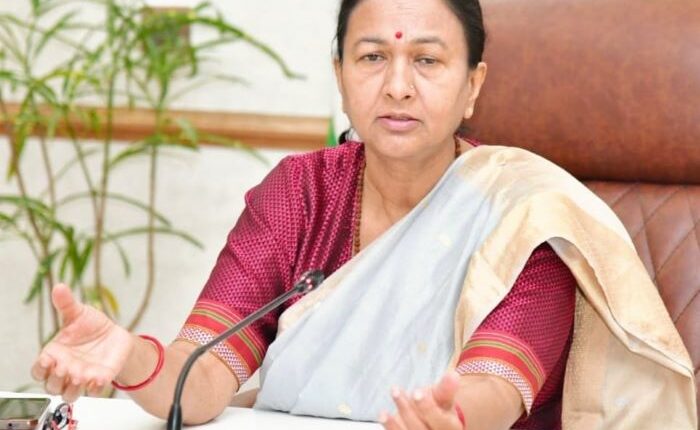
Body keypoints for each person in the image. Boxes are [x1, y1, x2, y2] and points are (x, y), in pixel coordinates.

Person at [31, 0, 697, 429]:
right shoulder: (298, 194)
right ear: (341, 75)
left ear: (473, 86)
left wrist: (448, 418)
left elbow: (492, 391)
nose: (398, 86)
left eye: (427, 60)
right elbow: (203, 376)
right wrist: (127, 356)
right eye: (373, 57)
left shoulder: (525, 214)